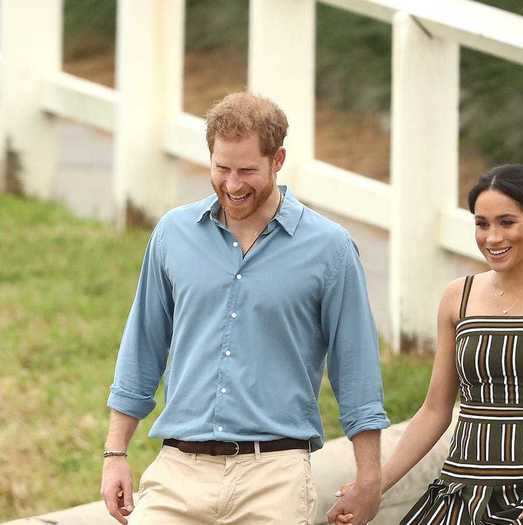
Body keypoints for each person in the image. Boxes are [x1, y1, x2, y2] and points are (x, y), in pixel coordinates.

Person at [100, 92, 389, 525]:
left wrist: (369, 479)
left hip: (274, 477)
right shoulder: (173, 234)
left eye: (248, 171)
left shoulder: (329, 249)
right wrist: (115, 453)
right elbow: (142, 346)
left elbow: (356, 370)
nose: (233, 185)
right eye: (222, 169)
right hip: (178, 471)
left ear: (278, 160)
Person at [330, 164, 523, 525]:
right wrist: (374, 487)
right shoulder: (459, 296)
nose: (492, 237)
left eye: (506, 222)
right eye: (481, 223)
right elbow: (435, 410)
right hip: (463, 495)